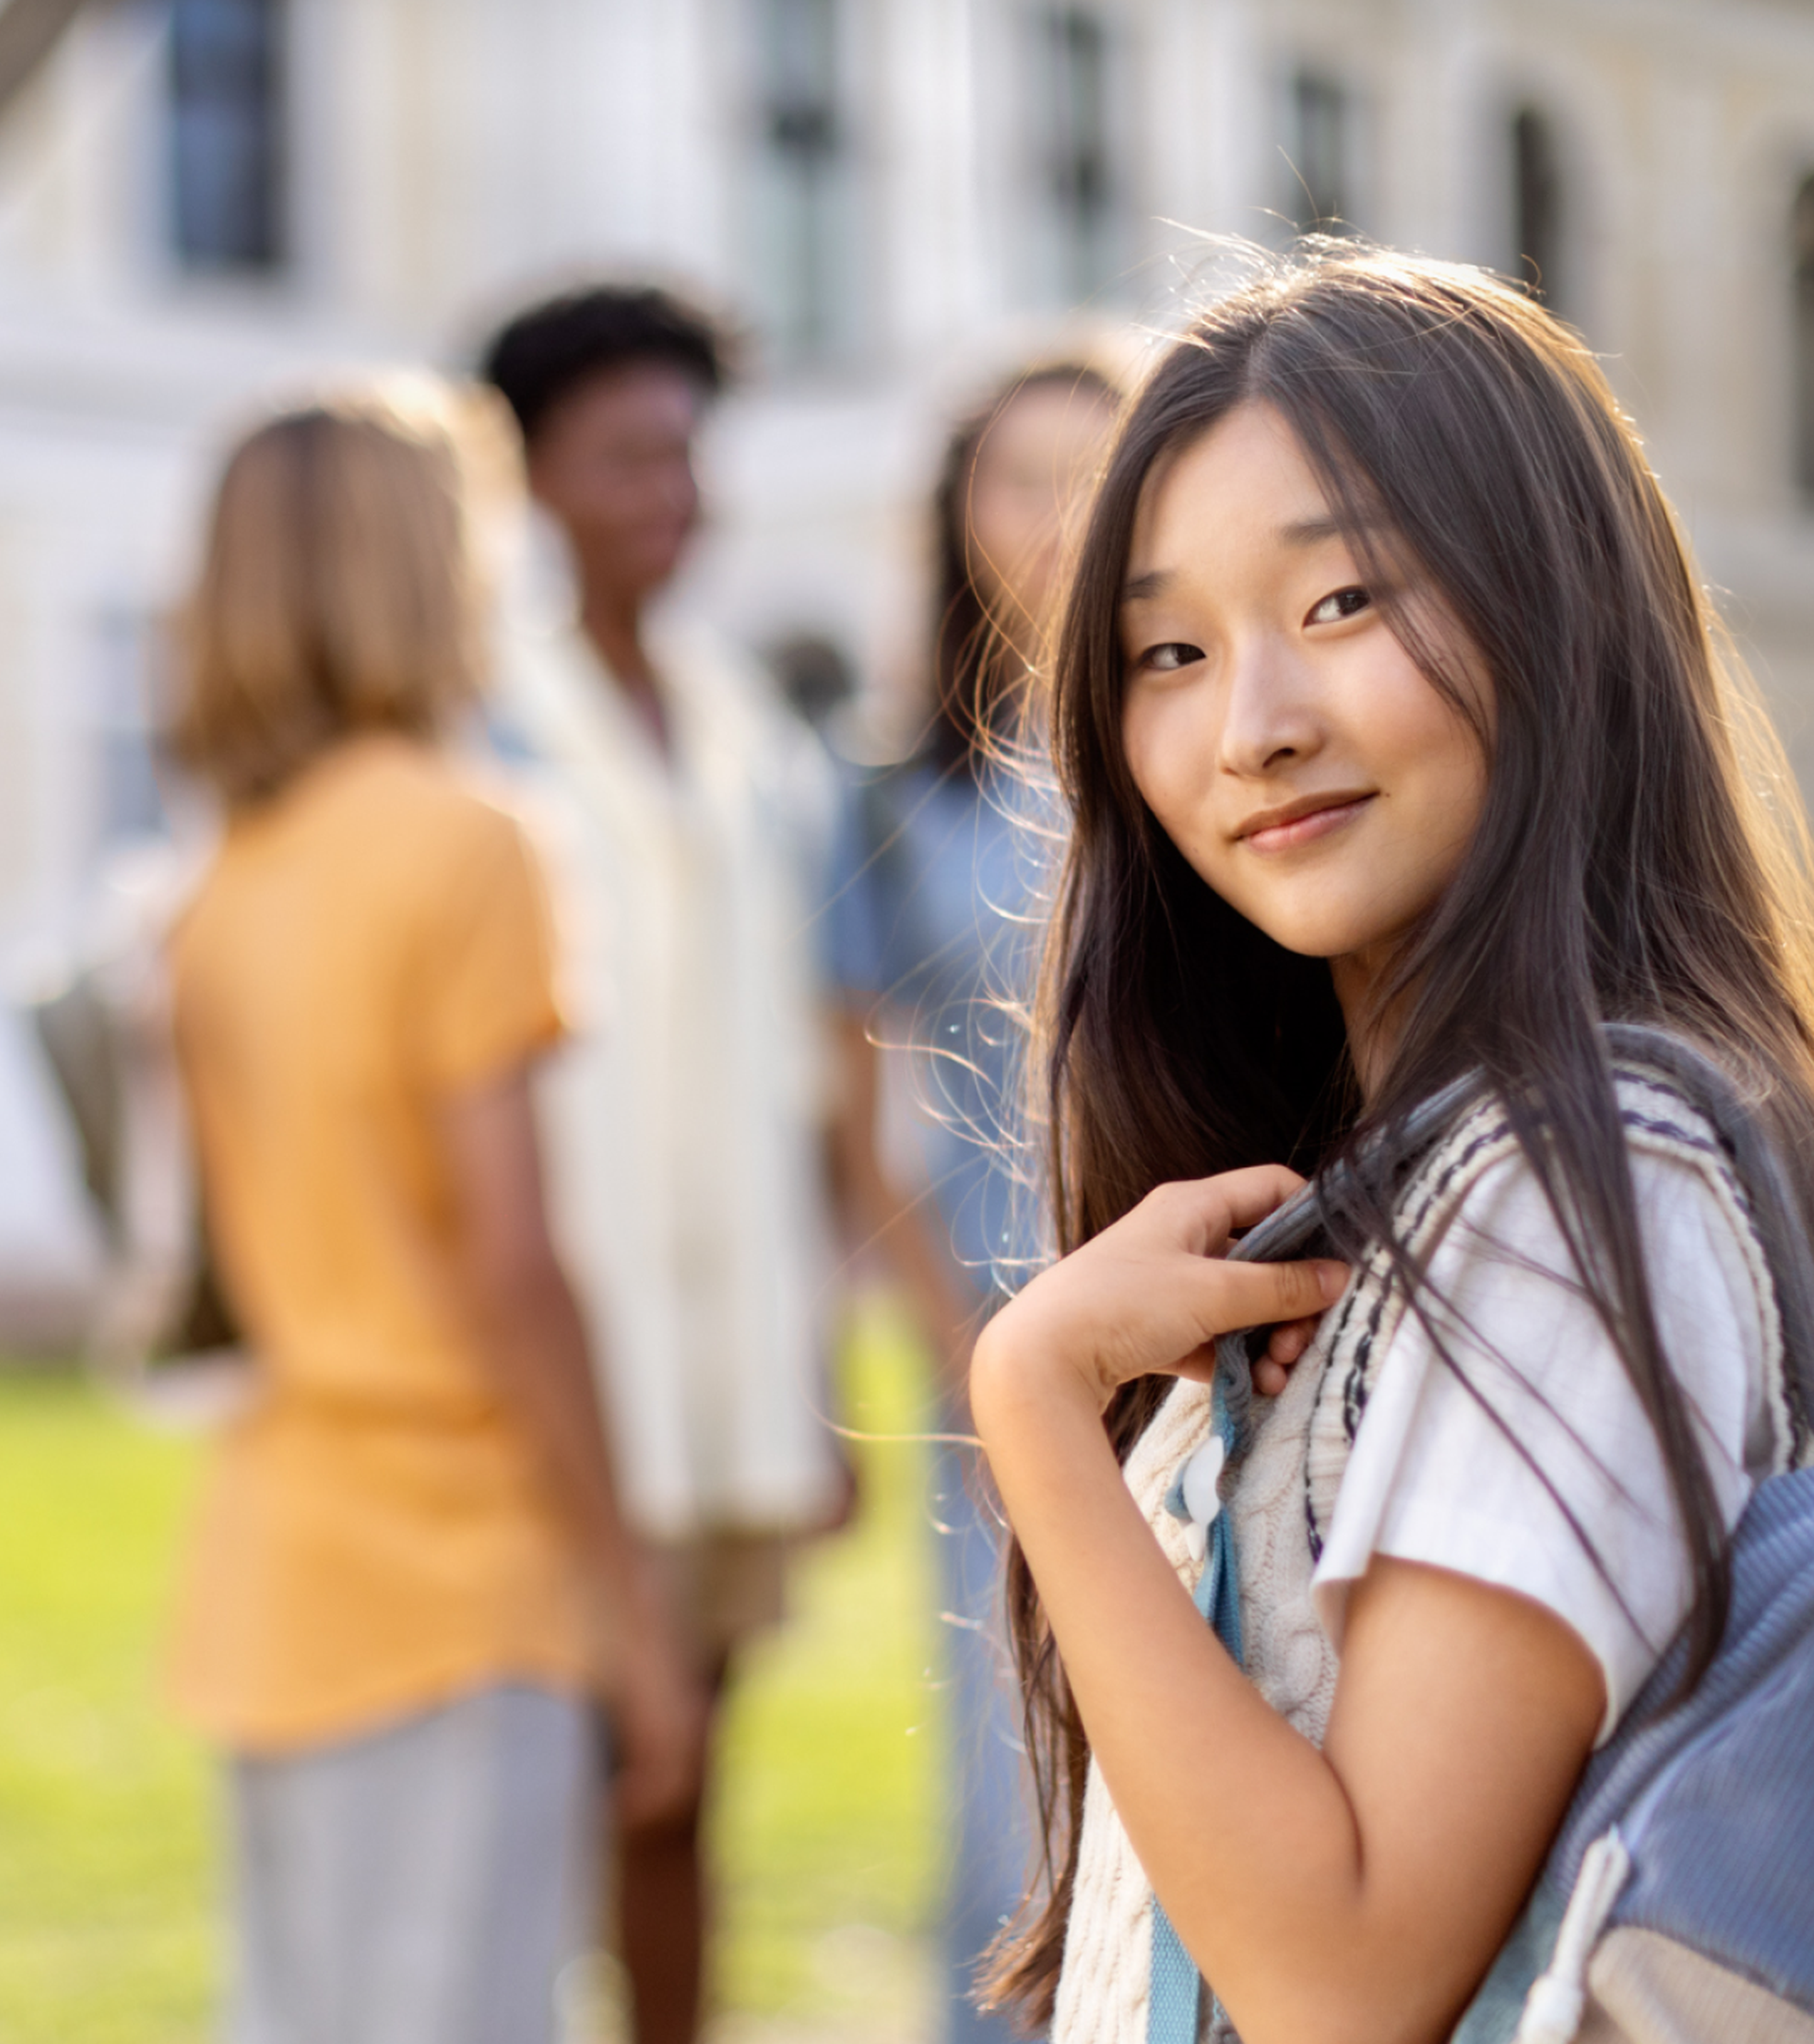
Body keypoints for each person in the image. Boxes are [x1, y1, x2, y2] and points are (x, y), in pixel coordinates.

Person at [961, 247, 1814, 2043]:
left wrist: (1034, 1402)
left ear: (1554, 607)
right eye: (1168, 652)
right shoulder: (1401, 1170)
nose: (1254, 724)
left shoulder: (1590, 1186)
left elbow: (1345, 1978)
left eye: (1344, 601)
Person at [160, 387, 700, 2044]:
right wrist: (628, 1601)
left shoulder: (224, 881)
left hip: (275, 1563)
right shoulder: (471, 843)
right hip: (454, 1572)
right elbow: (510, 1263)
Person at [479, 284, 846, 2044]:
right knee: (522, 1817)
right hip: (545, 1367)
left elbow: (802, 1092)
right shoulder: (472, 726)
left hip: (715, 1382)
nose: (670, 495)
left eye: (689, 457)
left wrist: (815, 1369)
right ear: (528, 477)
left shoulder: (751, 745)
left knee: (684, 1790)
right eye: (628, 456)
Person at [823, 359, 1120, 2044]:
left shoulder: (1187, 734)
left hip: (1214, 1326)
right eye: (1017, 476)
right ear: (957, 512)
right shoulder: (896, 789)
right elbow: (851, 1112)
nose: (1054, 513)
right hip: (997, 1354)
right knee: (1010, 1789)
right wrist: (960, 1346)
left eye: (1093, 469)